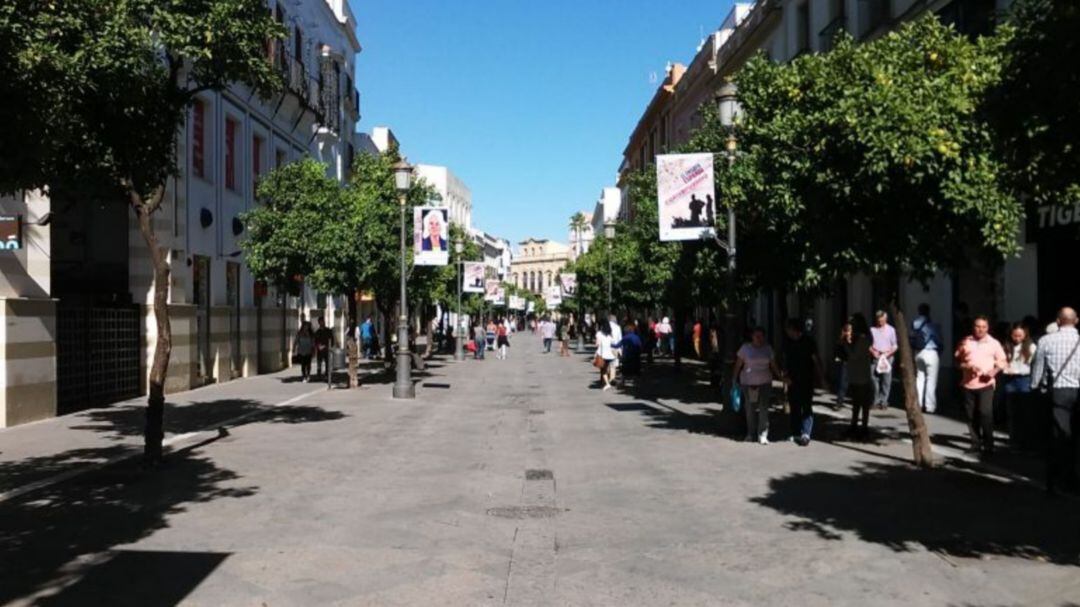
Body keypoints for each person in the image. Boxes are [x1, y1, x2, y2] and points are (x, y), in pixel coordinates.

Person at [1031, 307, 1080, 495]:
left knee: (1059, 435)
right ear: (1076, 321)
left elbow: (1038, 369)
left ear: (1058, 321)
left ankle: (1054, 479)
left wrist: (1036, 386)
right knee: (1074, 436)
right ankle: (1072, 477)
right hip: (1078, 391)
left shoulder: (1046, 340)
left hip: (1058, 391)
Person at [954, 315, 1007, 455]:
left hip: (986, 384)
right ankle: (975, 443)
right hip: (968, 384)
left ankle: (989, 444)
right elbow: (957, 361)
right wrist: (967, 367)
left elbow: (1002, 361)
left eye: (983, 327)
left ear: (988, 328)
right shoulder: (966, 341)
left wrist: (993, 371)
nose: (980, 329)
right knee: (971, 415)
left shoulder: (993, 343)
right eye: (978, 326)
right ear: (973, 327)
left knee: (985, 413)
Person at [733, 327, 780, 445]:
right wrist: (734, 379)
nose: (758, 338)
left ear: (764, 337)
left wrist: (780, 376)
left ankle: (762, 434)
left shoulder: (768, 349)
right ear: (752, 336)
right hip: (749, 383)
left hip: (765, 382)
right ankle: (750, 433)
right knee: (750, 409)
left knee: (764, 408)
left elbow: (773, 365)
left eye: (761, 336)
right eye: (756, 335)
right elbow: (738, 364)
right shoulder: (745, 348)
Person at [782, 319, 823, 446]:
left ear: (794, 329)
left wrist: (821, 378)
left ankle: (806, 433)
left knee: (806, 406)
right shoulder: (787, 342)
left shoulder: (808, 342)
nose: (787, 332)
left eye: (788, 329)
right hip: (792, 380)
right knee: (794, 407)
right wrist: (784, 378)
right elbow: (785, 361)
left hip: (806, 379)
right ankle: (795, 433)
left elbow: (816, 360)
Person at [1002, 323, 1036, 449]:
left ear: (1025, 335)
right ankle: (1013, 440)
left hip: (1024, 380)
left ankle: (1026, 441)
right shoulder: (1006, 346)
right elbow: (1002, 361)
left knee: (1025, 412)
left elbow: (1032, 366)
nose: (1017, 338)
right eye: (1014, 335)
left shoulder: (1031, 346)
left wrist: (1017, 371)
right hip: (1009, 380)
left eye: (1020, 336)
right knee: (1012, 412)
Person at [910, 303, 943, 413]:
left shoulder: (914, 323)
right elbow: (938, 339)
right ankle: (930, 406)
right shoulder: (932, 324)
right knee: (931, 380)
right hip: (931, 352)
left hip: (918, 352)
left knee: (919, 379)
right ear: (928, 311)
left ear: (919, 311)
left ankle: (918, 404)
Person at [846, 314, 875, 438]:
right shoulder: (862, 338)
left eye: (853, 324)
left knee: (861, 402)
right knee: (857, 402)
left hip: (860, 374)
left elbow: (854, 355)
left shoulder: (862, 339)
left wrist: (845, 345)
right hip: (859, 373)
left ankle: (862, 427)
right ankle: (857, 426)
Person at [869, 310, 898, 409]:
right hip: (875, 356)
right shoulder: (872, 330)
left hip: (887, 357)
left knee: (886, 380)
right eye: (879, 320)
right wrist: (873, 352)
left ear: (886, 319)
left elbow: (895, 345)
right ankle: (875, 400)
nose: (880, 322)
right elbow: (868, 345)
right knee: (873, 378)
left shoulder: (891, 330)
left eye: (882, 320)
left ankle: (884, 401)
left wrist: (888, 354)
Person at [832, 322, 853, 408]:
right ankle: (839, 402)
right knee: (843, 384)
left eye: (849, 331)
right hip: (846, 363)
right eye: (846, 331)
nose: (847, 332)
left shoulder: (856, 340)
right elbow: (838, 352)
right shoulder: (841, 341)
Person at [595, 320, 617, 390]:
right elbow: (612, 342)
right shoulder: (610, 334)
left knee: (603, 370)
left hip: (602, 354)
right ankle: (605, 382)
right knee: (605, 369)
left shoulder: (599, 333)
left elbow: (597, 344)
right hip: (609, 354)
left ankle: (607, 384)